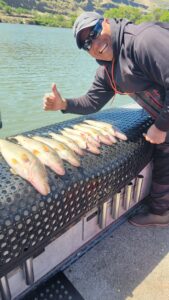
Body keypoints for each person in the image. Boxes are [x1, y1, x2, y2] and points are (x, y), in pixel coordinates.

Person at [43, 11, 169, 227]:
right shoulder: (107, 72)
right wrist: (63, 104)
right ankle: (162, 211)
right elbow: (91, 102)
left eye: (94, 31)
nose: (94, 43)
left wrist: (160, 126)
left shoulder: (143, 41)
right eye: (86, 44)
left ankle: (161, 212)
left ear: (107, 22)